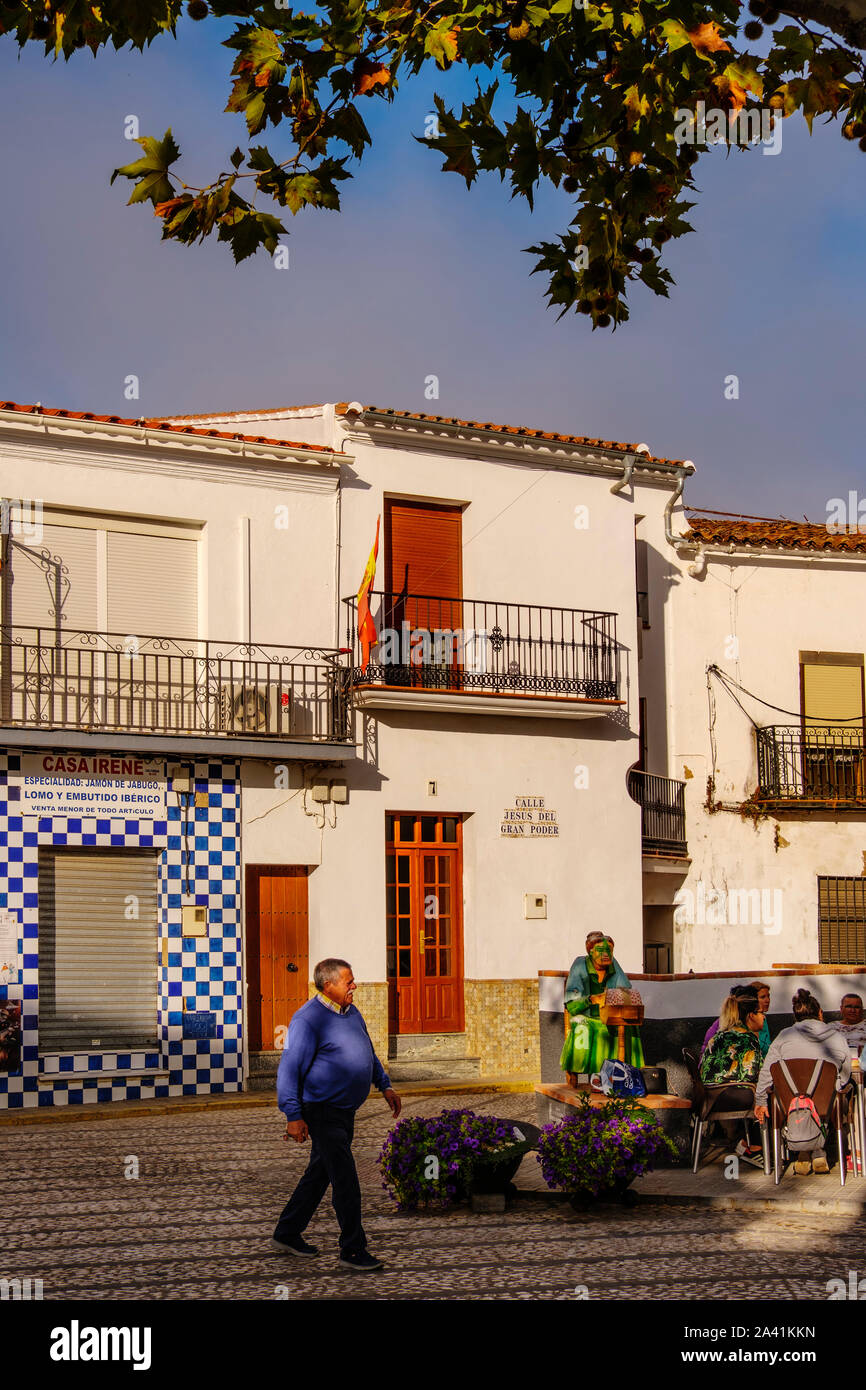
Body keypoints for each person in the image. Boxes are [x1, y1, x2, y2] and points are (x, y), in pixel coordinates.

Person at [272, 958, 401, 1271]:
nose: (355, 986)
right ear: (328, 985)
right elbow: (289, 1070)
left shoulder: (351, 1012)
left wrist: (384, 1085)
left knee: (319, 1174)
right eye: (349, 981)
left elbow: (368, 1053)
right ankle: (352, 1249)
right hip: (321, 1110)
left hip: (345, 1111)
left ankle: (287, 1232)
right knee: (345, 1179)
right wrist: (293, 1116)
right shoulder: (308, 1020)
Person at [754, 988, 852, 1176]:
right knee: (829, 1099)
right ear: (820, 1013)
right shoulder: (837, 1037)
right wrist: (837, 1086)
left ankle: (805, 1152)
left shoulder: (783, 1036)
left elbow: (767, 1072)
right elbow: (845, 1074)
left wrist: (760, 1101)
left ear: (796, 1017)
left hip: (788, 1103)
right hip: (827, 1104)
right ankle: (818, 1151)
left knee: (800, 1103)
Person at [560, 931, 644, 1075]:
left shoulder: (613, 965)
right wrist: (592, 999)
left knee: (629, 1026)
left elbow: (625, 991)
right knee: (588, 1028)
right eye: (600, 950)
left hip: (609, 1016)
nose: (606, 954)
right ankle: (597, 1072)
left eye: (609, 950)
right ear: (591, 952)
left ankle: (625, 1072)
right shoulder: (580, 965)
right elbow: (572, 1004)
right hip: (585, 1015)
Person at [699, 993, 764, 1087]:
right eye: (761, 1013)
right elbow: (756, 1075)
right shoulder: (749, 1039)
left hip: (710, 1092)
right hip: (736, 1092)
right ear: (751, 1015)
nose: (764, 1017)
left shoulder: (716, 1037)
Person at [702, 982, 771, 1059]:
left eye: (768, 996)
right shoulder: (745, 1040)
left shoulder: (755, 1027)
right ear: (751, 1015)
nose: (767, 1000)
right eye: (762, 997)